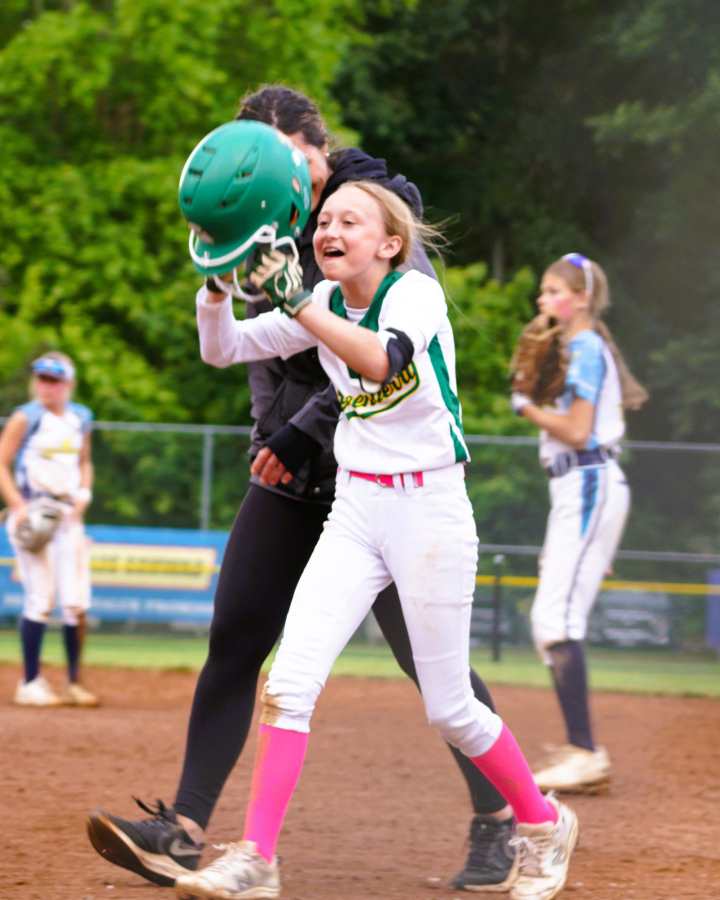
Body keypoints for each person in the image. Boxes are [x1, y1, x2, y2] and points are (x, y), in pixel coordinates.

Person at [87, 87, 518, 894]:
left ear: (315, 147)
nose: (270, 177)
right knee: (236, 635)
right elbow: (254, 350)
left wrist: (300, 432)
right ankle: (183, 827)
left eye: (282, 158)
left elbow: (377, 353)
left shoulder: (374, 216)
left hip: (378, 476)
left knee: (434, 672)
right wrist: (266, 428)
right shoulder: (260, 216)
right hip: (291, 475)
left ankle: (501, 820)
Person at [173, 179, 578, 900]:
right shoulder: (323, 302)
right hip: (357, 511)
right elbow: (223, 349)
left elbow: (381, 361)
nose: (329, 228)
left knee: (450, 708)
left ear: (390, 244)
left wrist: (296, 300)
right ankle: (257, 856)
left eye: (349, 221)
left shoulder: (412, 294)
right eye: (324, 220)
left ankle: (543, 822)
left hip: (429, 511)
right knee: (289, 685)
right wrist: (214, 286)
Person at [511, 254, 647, 792]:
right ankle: (580, 748)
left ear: (581, 298)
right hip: (580, 488)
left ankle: (586, 752)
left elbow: (577, 432)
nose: (543, 300)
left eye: (551, 291)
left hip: (586, 480)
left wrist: (524, 405)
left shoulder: (586, 347)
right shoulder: (582, 348)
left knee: (555, 621)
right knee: (552, 621)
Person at [0, 352, 99, 707]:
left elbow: (85, 461)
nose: (46, 386)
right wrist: (18, 508)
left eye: (54, 380)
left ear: (68, 384)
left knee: (75, 602)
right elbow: (1, 463)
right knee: (41, 597)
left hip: (68, 514)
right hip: (33, 510)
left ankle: (73, 682)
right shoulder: (26, 417)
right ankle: (30, 683)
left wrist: (85, 493)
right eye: (41, 378)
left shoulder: (81, 418)